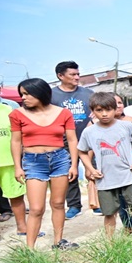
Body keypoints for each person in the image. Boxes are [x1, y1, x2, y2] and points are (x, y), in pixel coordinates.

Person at [10, 78, 79, 249]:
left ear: (40, 92)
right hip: (33, 162)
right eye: (21, 94)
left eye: (26, 94)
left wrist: (74, 165)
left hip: (60, 159)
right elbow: (16, 142)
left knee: (57, 203)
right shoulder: (17, 114)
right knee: (36, 208)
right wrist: (18, 166)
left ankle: (58, 241)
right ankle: (30, 250)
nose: (23, 98)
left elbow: (71, 140)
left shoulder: (63, 113)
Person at [78, 92, 132, 237]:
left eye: (108, 109)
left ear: (115, 108)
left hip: (130, 177)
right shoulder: (89, 132)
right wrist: (91, 169)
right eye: (99, 110)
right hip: (106, 180)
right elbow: (82, 151)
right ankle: (111, 245)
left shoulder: (126, 126)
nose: (104, 114)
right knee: (109, 214)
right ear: (93, 111)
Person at [51, 61, 93, 220]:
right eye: (73, 74)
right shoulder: (51, 95)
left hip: (88, 139)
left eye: (78, 74)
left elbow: (98, 110)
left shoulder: (88, 93)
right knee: (69, 173)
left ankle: (99, 203)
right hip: (64, 142)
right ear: (60, 76)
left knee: (95, 170)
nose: (77, 77)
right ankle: (74, 205)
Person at [0, 103, 28, 233]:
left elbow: (19, 137)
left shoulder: (9, 110)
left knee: (16, 196)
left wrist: (19, 164)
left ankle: (22, 228)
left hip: (9, 162)